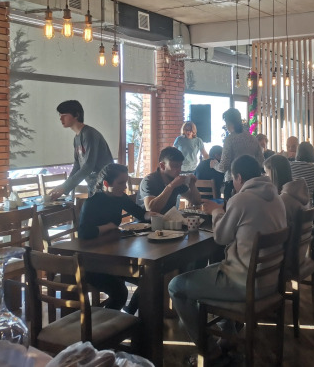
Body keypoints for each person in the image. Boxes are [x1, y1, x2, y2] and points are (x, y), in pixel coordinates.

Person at [168, 155, 286, 363]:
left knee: (176, 286)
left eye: (233, 179)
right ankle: (228, 337)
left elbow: (221, 238)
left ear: (238, 177)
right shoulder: (277, 198)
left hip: (244, 284)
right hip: (270, 281)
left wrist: (216, 212)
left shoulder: (241, 200)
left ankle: (209, 349)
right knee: (214, 268)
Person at [78, 163, 148, 310]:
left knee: (148, 280)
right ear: (106, 183)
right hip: (92, 263)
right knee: (120, 293)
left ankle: (129, 314)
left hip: (114, 258)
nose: (125, 187)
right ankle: (106, 322)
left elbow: (139, 213)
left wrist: (154, 216)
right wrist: (109, 226)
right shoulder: (92, 202)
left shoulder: (120, 197)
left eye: (125, 182)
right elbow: (84, 232)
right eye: (121, 183)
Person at [50, 100, 114, 200]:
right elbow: (77, 165)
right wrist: (64, 186)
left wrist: (65, 187)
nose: (60, 118)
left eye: (64, 115)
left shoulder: (89, 134)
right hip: (93, 184)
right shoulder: (76, 138)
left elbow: (88, 165)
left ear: (76, 115)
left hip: (105, 185)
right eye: (60, 115)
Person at [264, 154, 310, 276]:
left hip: (288, 258)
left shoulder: (284, 200)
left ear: (274, 174)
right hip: (301, 253)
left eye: (266, 173)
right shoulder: (300, 192)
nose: (265, 178)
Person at [215, 108, 264, 199]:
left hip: (234, 183)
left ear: (229, 123)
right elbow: (261, 162)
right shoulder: (253, 138)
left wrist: (214, 165)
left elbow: (224, 166)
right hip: (252, 182)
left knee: (232, 207)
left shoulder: (229, 140)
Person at [137, 147, 202, 213]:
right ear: (162, 166)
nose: (179, 170)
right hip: (147, 219)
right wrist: (171, 186)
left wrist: (192, 185)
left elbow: (197, 202)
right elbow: (151, 210)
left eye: (180, 166)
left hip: (169, 218)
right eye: (175, 166)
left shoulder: (175, 179)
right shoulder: (149, 181)